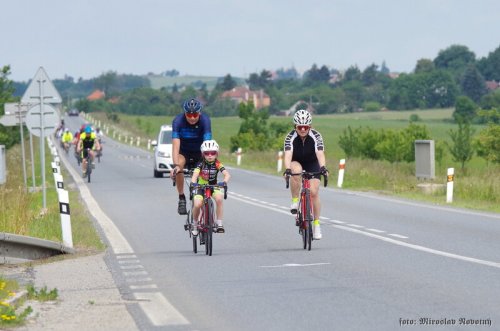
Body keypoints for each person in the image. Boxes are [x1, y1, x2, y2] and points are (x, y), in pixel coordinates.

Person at [283, 109, 329, 240]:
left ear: (310, 126)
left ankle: (316, 224)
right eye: (300, 127)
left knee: (314, 192)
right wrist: (287, 169)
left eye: (306, 127)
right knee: (295, 171)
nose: (303, 129)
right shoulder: (290, 137)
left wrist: (323, 167)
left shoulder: (316, 136)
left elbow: (320, 153)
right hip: (296, 161)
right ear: (295, 127)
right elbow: (288, 155)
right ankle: (295, 201)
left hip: (312, 162)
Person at [170, 98, 212, 215]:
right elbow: (175, 145)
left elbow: (207, 144)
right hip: (184, 152)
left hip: (200, 152)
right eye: (189, 114)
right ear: (185, 113)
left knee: (207, 168)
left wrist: (208, 162)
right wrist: (176, 166)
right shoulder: (178, 121)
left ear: (200, 113)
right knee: (179, 168)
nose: (192, 118)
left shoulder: (205, 120)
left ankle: (204, 195)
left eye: (195, 114)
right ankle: (181, 197)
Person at [190, 140, 230, 235]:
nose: (210, 155)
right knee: (197, 204)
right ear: (203, 154)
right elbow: (195, 175)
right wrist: (193, 183)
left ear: (217, 154)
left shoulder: (217, 164)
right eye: (207, 153)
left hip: (213, 186)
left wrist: (224, 182)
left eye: (213, 153)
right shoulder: (200, 164)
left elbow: (227, 174)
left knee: (219, 199)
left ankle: (219, 224)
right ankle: (195, 224)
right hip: (200, 187)